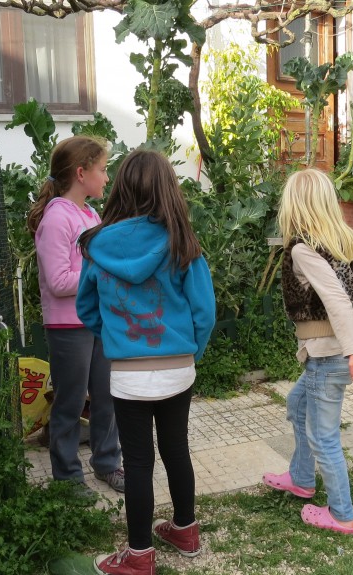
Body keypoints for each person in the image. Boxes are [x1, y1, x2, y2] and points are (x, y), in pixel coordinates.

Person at [77, 148, 216, 575]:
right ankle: (185, 531)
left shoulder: (98, 245)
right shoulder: (183, 243)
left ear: (120, 187)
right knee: (177, 449)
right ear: (168, 190)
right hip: (178, 367)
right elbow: (204, 312)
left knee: (137, 463)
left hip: (128, 375)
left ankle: (139, 558)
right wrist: (191, 352)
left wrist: (118, 342)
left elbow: (87, 309)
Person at [262, 168, 353, 535]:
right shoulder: (343, 242)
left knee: (323, 437)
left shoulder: (305, 249)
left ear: (294, 206)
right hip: (329, 355)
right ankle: (302, 479)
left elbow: (336, 298)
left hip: (329, 357)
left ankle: (342, 515)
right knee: (297, 406)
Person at [27, 135, 124, 494]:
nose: (107, 177)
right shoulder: (56, 218)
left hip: (96, 321)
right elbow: (57, 281)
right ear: (81, 173)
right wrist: (100, 276)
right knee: (69, 403)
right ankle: (67, 478)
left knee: (106, 396)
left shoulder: (89, 213)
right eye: (102, 169)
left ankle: (107, 463)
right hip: (68, 327)